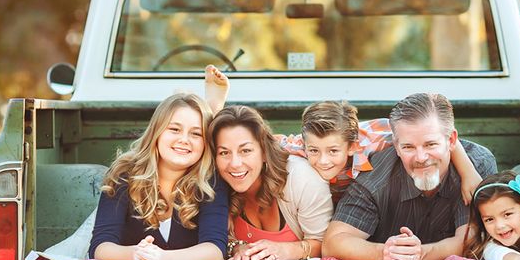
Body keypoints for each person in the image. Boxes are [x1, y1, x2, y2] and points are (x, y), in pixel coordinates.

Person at [202, 66, 482, 205]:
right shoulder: (300, 148)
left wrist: (468, 172)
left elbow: (431, 136)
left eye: (333, 151)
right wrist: (216, 106)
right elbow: (248, 141)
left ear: (351, 146)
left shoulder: (375, 136)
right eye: (315, 151)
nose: (322, 160)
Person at [322, 93, 497, 260]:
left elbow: (473, 238)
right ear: (396, 146)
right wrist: (384, 253)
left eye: (430, 144)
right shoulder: (375, 175)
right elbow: (333, 243)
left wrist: (419, 255)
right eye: (408, 147)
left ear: (451, 140)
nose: (420, 157)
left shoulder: (476, 166)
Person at [89, 93, 229, 260]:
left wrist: (161, 258)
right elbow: (101, 246)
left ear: (205, 143)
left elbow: (215, 250)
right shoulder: (124, 174)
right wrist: (135, 254)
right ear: (157, 131)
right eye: (174, 129)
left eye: (196, 133)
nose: (184, 140)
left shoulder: (210, 182)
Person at [209, 105, 333, 260]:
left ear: (264, 152)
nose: (235, 164)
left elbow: (325, 245)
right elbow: (217, 239)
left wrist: (284, 250)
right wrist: (238, 248)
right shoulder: (215, 185)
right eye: (224, 153)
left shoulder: (301, 178)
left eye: (245, 150)